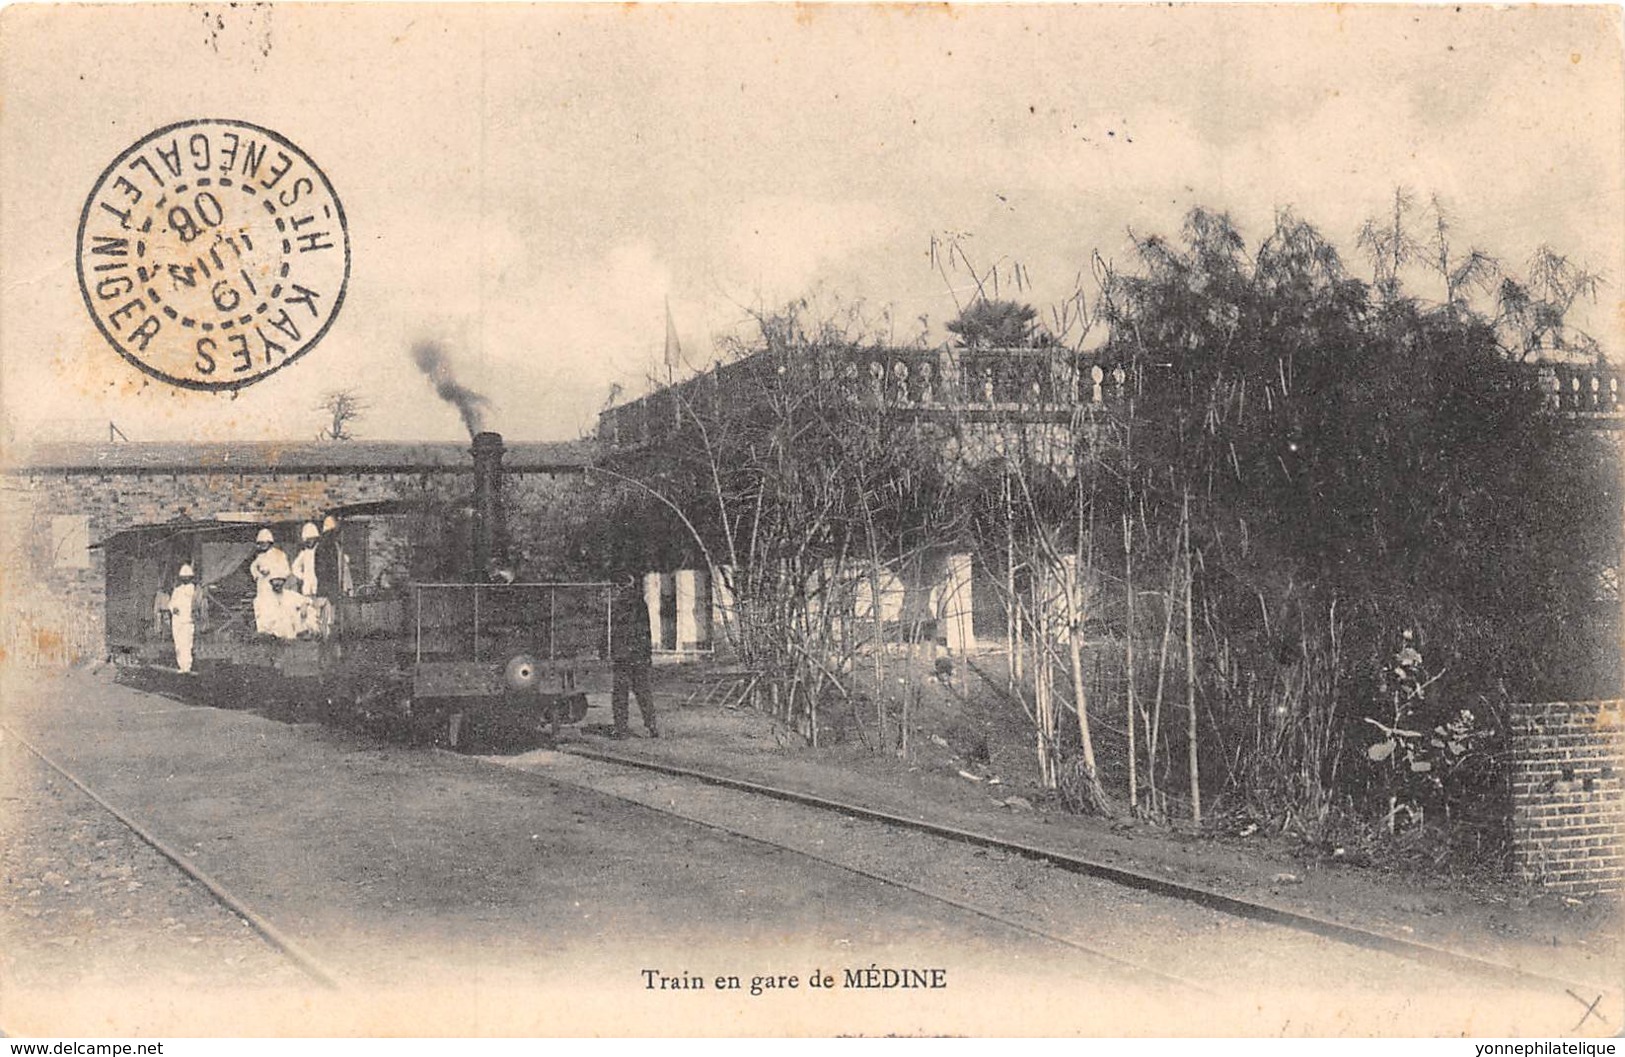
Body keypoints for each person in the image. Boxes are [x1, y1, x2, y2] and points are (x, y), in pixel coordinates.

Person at [610, 575, 658, 738]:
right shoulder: (640, 603)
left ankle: (621, 729)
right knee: (643, 691)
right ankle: (651, 726)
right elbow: (646, 630)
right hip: (639, 654)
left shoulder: (616, 604)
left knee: (620, 694)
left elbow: (611, 630)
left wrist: (608, 650)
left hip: (622, 655)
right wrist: (648, 654)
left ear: (619, 585)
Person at [250, 528, 291, 636]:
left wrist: (278, 578)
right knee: (263, 608)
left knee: (276, 609)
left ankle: (277, 634)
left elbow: (286, 570)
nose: (263, 545)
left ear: (270, 542)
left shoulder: (279, 554)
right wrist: (258, 574)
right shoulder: (260, 557)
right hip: (262, 587)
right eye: (260, 543)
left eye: (264, 542)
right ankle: (264, 633)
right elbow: (253, 568)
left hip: (275, 586)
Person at [168, 563, 197, 673]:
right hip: (177, 620)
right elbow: (171, 603)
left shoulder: (193, 590)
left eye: (187, 577)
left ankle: (187, 666)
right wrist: (173, 608)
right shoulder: (177, 590)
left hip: (187, 621)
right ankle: (181, 665)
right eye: (183, 578)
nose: (185, 579)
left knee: (187, 644)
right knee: (178, 645)